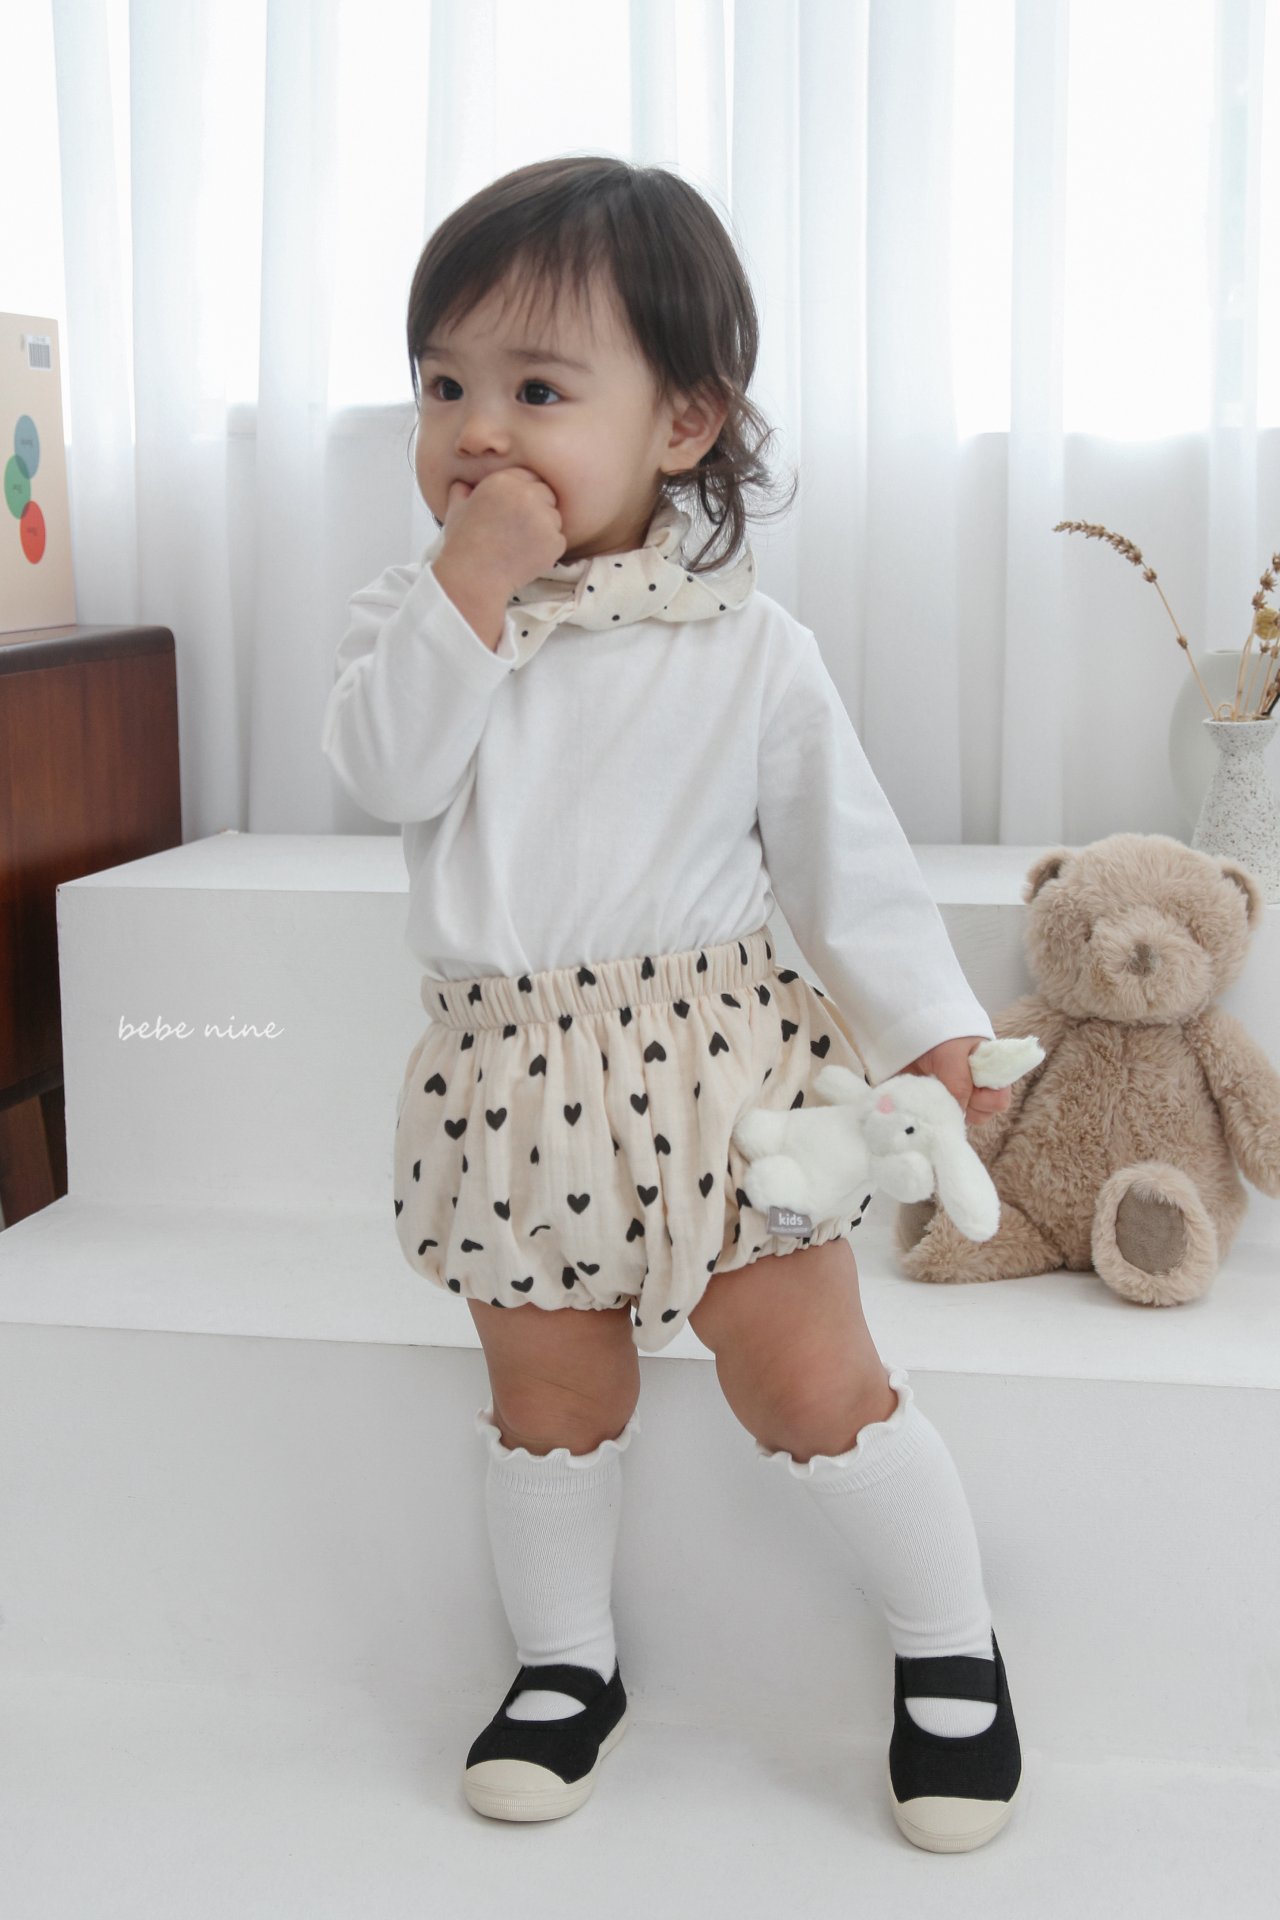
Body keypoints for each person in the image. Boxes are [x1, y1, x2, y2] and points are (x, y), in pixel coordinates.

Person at [320, 155, 1022, 1850]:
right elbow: (385, 773)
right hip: (514, 1089)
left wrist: (932, 1028)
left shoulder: (749, 647)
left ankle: (953, 1645)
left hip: (724, 1077)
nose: (476, 433)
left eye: (537, 392)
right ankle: (566, 1664)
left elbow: (847, 863)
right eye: (443, 388)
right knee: (552, 1401)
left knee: (812, 1380)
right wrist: (471, 589)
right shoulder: (418, 623)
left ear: (685, 423)